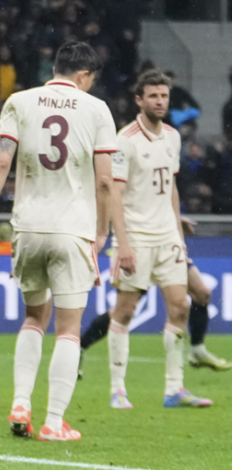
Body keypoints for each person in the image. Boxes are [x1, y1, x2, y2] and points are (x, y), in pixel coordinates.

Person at [0, 41, 117, 441]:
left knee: (34, 317)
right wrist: (103, 230)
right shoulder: (96, 109)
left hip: (28, 228)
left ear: (55, 69)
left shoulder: (20, 101)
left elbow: (1, 162)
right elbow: (105, 180)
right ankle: (53, 421)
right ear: (84, 75)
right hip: (73, 230)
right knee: (68, 329)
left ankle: (21, 402)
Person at [98, 70, 213, 410]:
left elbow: (170, 188)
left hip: (167, 237)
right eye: (153, 96)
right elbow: (115, 194)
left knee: (180, 306)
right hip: (135, 236)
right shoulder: (125, 140)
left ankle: (174, 389)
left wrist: (177, 230)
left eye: (164, 96)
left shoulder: (173, 137)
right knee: (125, 310)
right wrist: (123, 243)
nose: (160, 101)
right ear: (139, 100)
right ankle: (118, 390)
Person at [79, 217, 231, 376]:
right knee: (123, 311)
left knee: (201, 293)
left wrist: (172, 216)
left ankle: (197, 350)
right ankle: (80, 347)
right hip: (140, 243)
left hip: (167, 243)